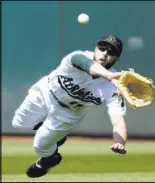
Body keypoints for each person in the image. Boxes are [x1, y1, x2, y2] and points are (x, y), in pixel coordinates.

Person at [12, 34, 127, 178]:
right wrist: (109, 75)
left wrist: (120, 142)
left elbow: (117, 118)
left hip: (68, 114)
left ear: (117, 59)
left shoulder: (114, 87)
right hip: (45, 93)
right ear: (95, 48)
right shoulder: (78, 57)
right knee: (18, 123)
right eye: (102, 48)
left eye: (111, 52)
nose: (104, 53)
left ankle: (49, 160)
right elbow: (88, 65)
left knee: (40, 146)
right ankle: (56, 137)